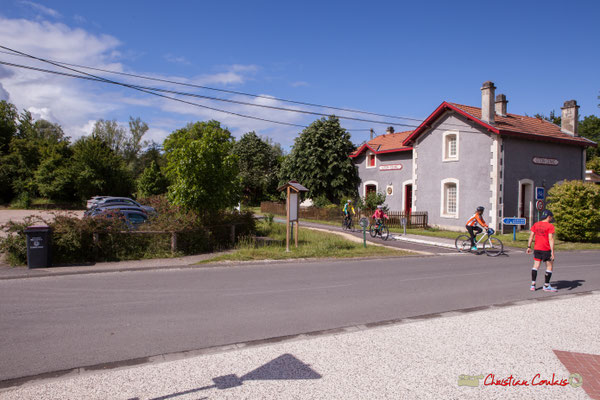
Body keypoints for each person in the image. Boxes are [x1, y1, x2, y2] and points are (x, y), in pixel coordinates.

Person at [527, 210, 557, 292]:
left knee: (535, 266)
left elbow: (531, 236)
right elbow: (551, 239)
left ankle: (533, 285)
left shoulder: (536, 224)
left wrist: (529, 247)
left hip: (537, 248)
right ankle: (546, 286)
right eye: (551, 217)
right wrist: (552, 252)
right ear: (549, 217)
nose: (551, 219)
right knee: (549, 266)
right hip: (546, 249)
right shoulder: (550, 226)